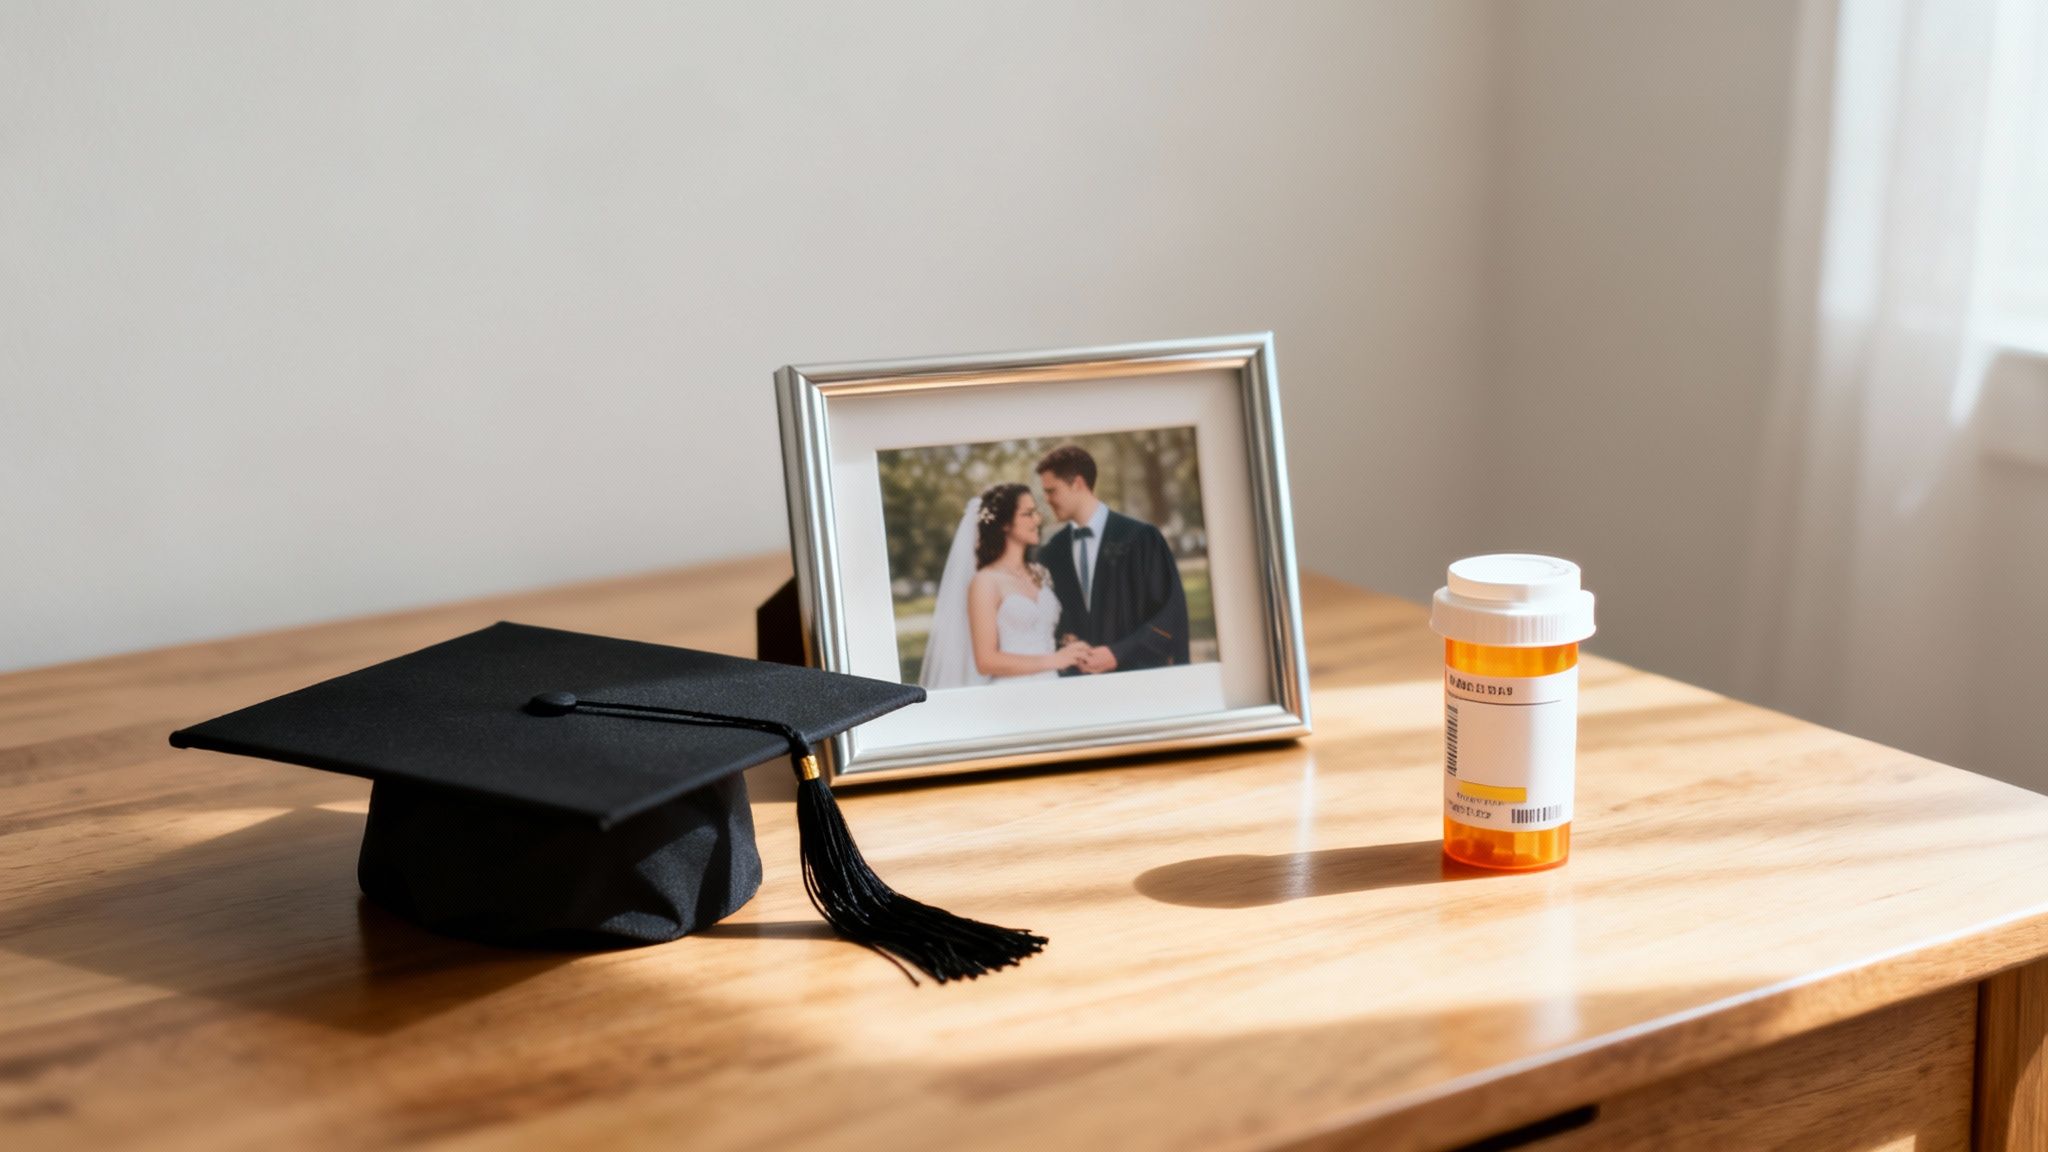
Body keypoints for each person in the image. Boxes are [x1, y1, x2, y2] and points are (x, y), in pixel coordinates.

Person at [1035, 445, 1191, 675]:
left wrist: (1118, 653)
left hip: (1136, 680)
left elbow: (1170, 614)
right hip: (1076, 686)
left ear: (1077, 484)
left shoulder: (1141, 538)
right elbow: (1048, 619)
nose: (1047, 500)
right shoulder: (1052, 551)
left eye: (1052, 491)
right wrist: (1064, 641)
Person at [918, 483, 1092, 688]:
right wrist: (1054, 660)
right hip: (1012, 694)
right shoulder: (985, 581)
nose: (1037, 519)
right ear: (1004, 524)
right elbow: (986, 661)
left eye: (1036, 512)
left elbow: (1040, 632)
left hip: (1051, 685)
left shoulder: (1039, 573)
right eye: (1028, 514)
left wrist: (1068, 646)